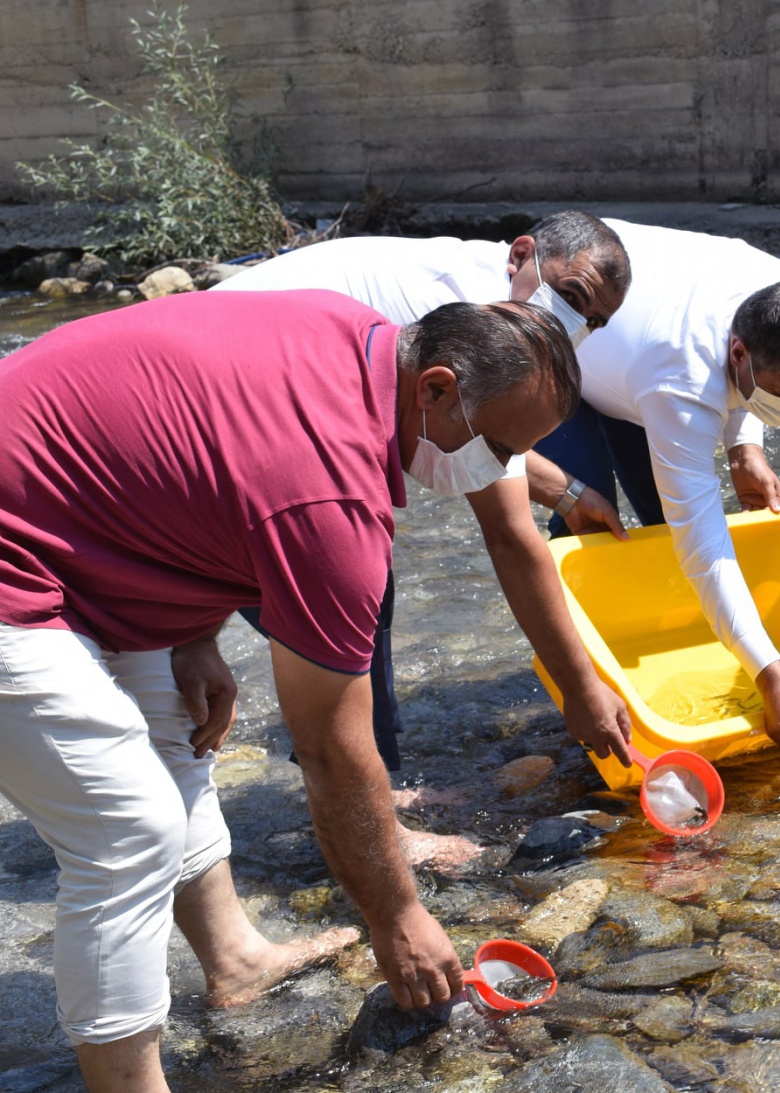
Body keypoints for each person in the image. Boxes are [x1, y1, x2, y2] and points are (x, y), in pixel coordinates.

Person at [0, 289, 578, 1092]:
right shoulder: (332, 498)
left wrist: (191, 627)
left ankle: (236, 958)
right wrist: (397, 916)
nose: (503, 469)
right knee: (127, 829)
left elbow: (181, 446)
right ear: (437, 388)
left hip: (67, 514)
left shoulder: (356, 332)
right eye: (500, 445)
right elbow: (331, 751)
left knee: (175, 726)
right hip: (17, 556)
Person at [215, 213, 636, 797]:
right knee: (353, 578)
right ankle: (366, 791)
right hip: (239, 397)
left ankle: (354, 775)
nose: (574, 323)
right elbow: (510, 536)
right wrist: (582, 688)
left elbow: (481, 447)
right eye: (570, 295)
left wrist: (568, 493)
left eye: (593, 320)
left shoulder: (492, 316)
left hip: (244, 381)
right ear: (521, 256)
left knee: (340, 586)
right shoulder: (474, 319)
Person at [531, 220, 780, 761]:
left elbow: (739, 381)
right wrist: (771, 676)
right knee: (589, 524)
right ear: (740, 352)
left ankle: (680, 642)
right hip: (565, 357)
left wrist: (743, 445)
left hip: (639, 359)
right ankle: (591, 696)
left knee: (660, 525)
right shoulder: (683, 381)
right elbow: (704, 546)